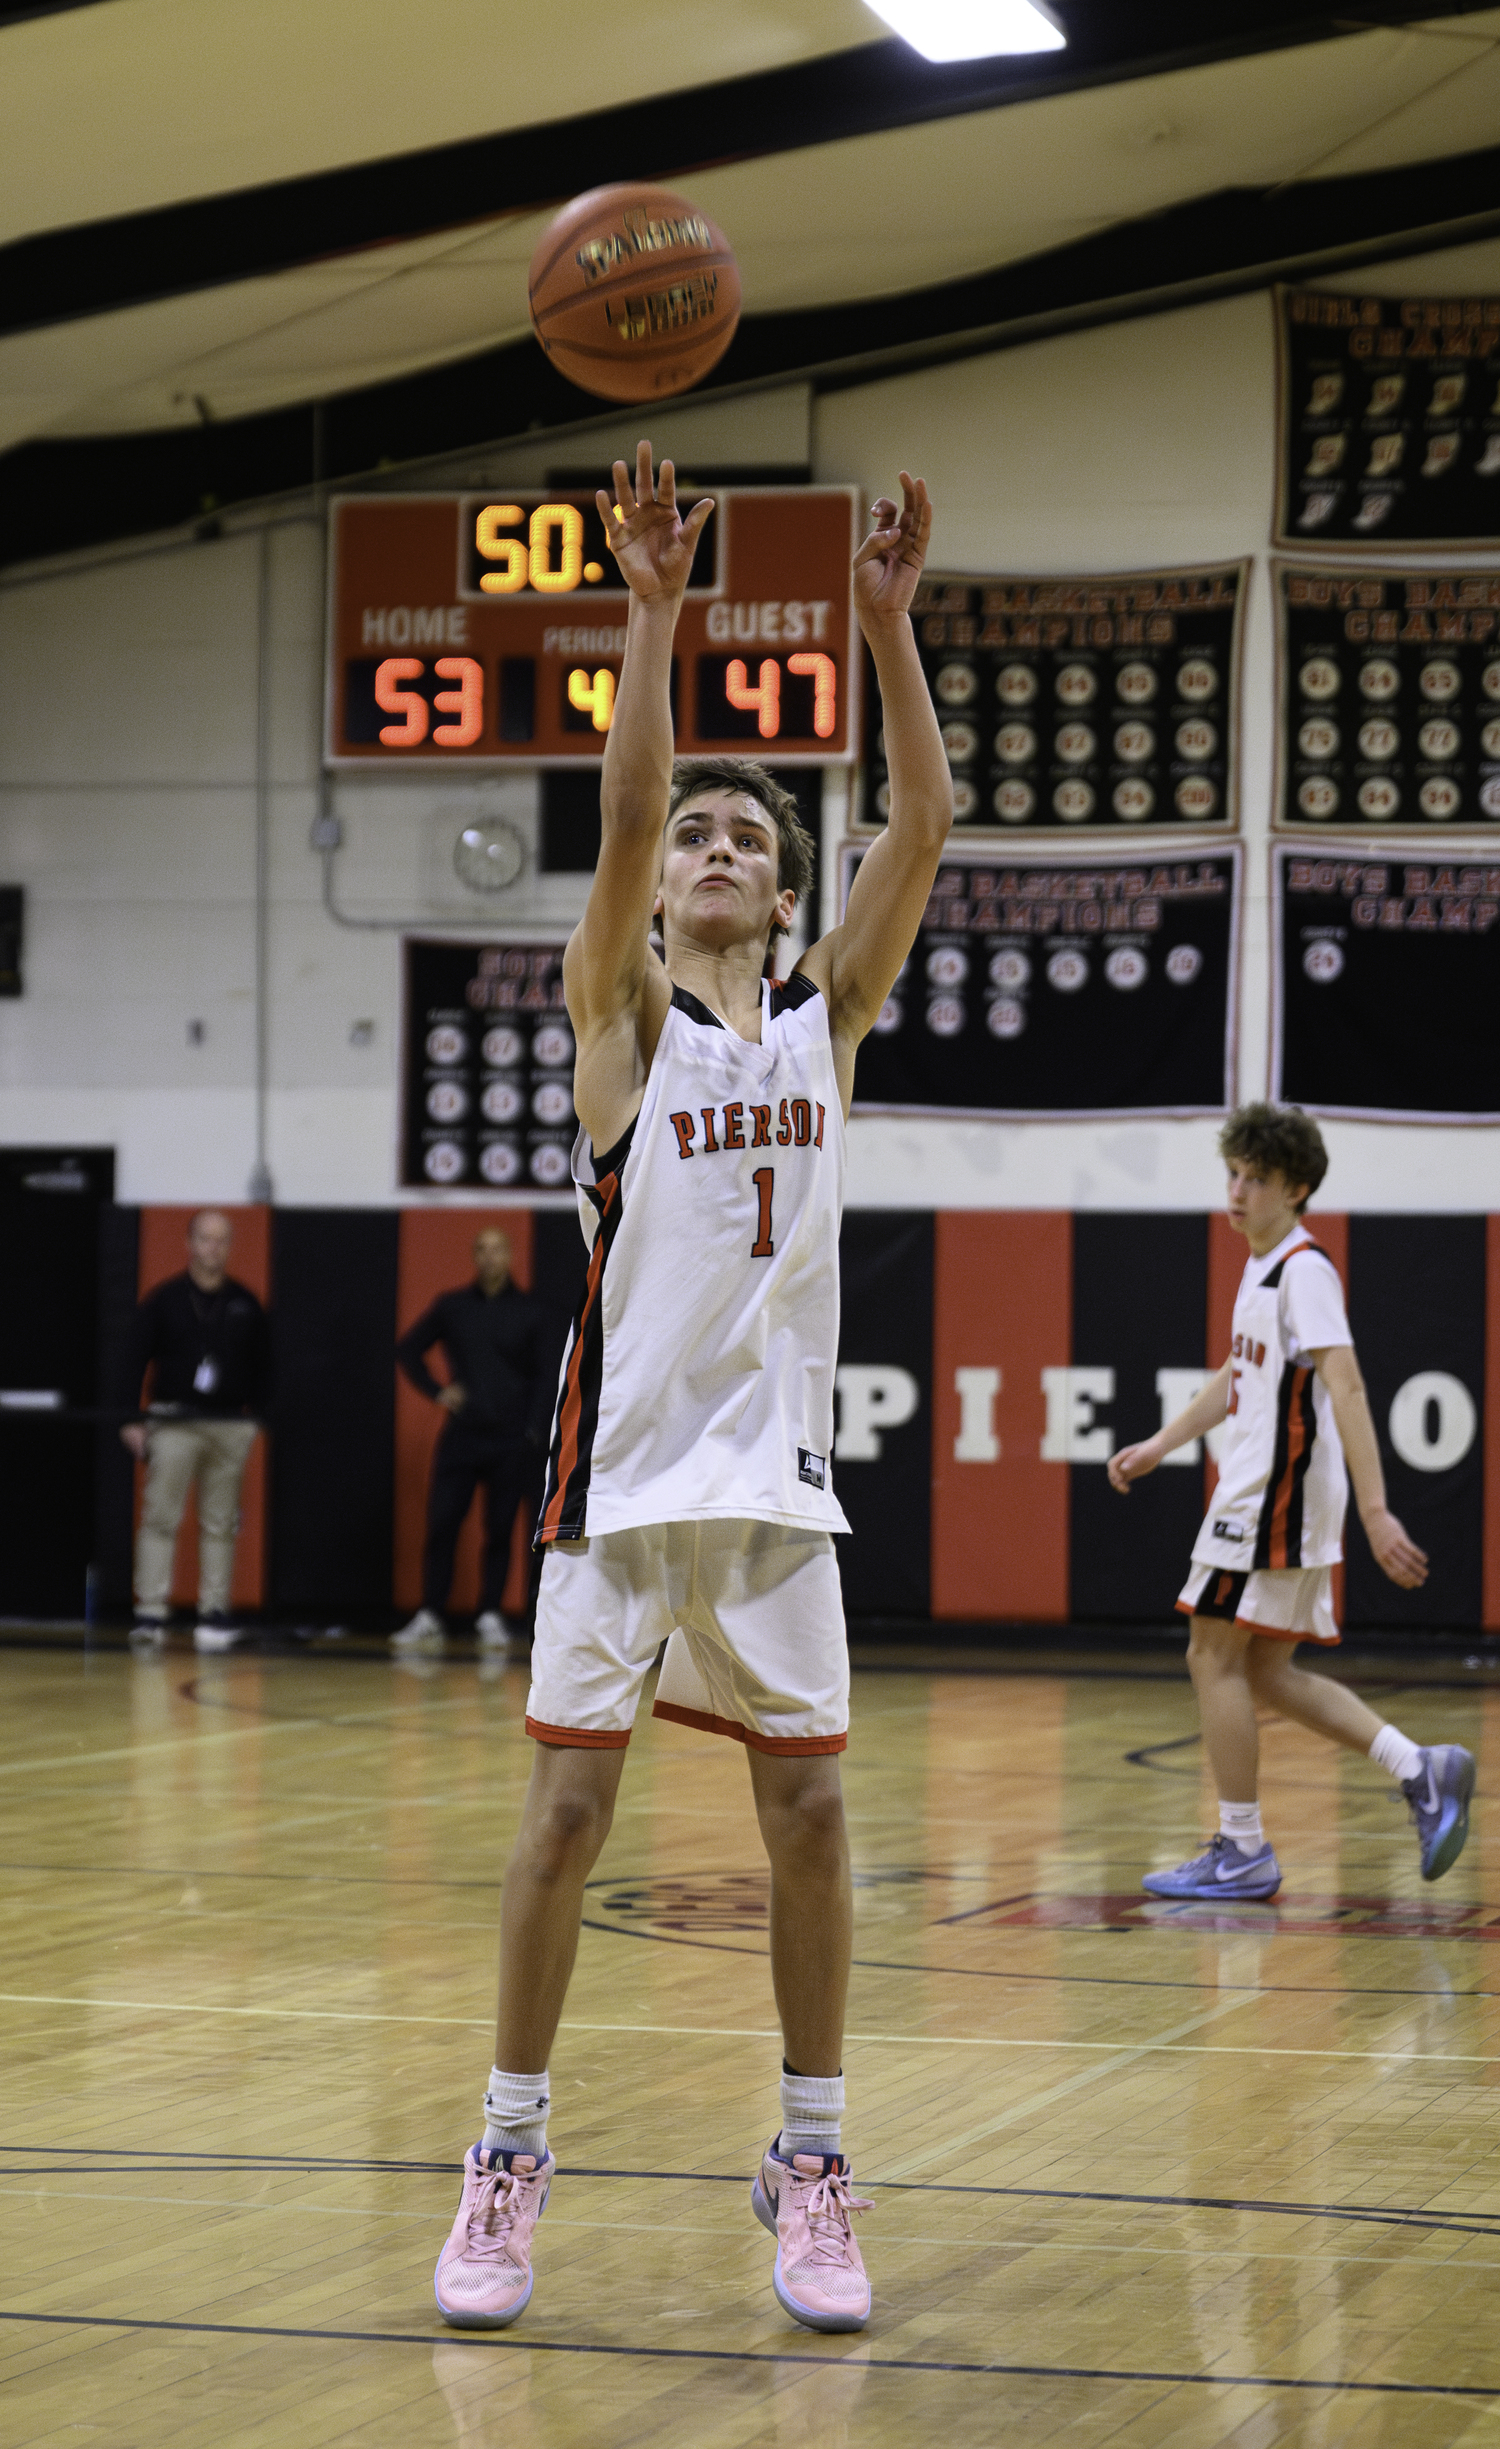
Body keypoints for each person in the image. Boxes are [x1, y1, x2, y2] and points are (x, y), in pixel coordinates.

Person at [431, 444, 951, 2337]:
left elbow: (925, 826)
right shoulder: (622, 1020)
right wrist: (654, 613)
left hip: (776, 1490)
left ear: (785, 893)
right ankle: (507, 2146)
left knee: (812, 1826)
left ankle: (812, 2153)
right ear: (660, 904)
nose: (716, 848)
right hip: (622, 1483)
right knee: (563, 1820)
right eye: (698, 843)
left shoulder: (823, 1019)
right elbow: (632, 811)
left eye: (750, 836)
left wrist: (885, 627)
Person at [1108, 1102, 1474, 1900]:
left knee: (1210, 1653)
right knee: (1266, 1669)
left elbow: (1345, 1384)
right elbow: (1237, 1379)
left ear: (1297, 1187)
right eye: (1233, 1173)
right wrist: (1162, 1443)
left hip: (1271, 1499)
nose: (1238, 1190)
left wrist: (1377, 1512)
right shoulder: (1263, 1264)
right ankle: (1422, 1767)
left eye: (1257, 1179)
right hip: (1272, 1496)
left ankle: (1242, 1847)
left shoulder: (1305, 1270)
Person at [392, 1227, 554, 1659]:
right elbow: (408, 1349)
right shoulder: (453, 1307)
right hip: (463, 1435)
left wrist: (533, 1430)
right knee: (442, 1524)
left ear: (510, 1256)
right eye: (480, 1249)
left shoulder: (530, 1311)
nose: (489, 1257)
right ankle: (430, 1613)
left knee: (500, 1529)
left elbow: (545, 1376)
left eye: (497, 1249)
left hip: (509, 1439)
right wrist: (439, 1391)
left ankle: (490, 1613)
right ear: (473, 1257)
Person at [120, 1209, 269, 1655]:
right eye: (204, 1239)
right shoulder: (164, 1299)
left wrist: (253, 1420)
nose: (213, 1248)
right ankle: (150, 1613)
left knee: (221, 1522)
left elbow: (266, 1364)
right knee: (161, 1516)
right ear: (188, 1244)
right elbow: (132, 1359)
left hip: (228, 1423)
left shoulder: (245, 1301)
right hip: (174, 1420)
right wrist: (130, 1419)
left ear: (230, 1246)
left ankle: (213, 1612)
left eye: (221, 1240)